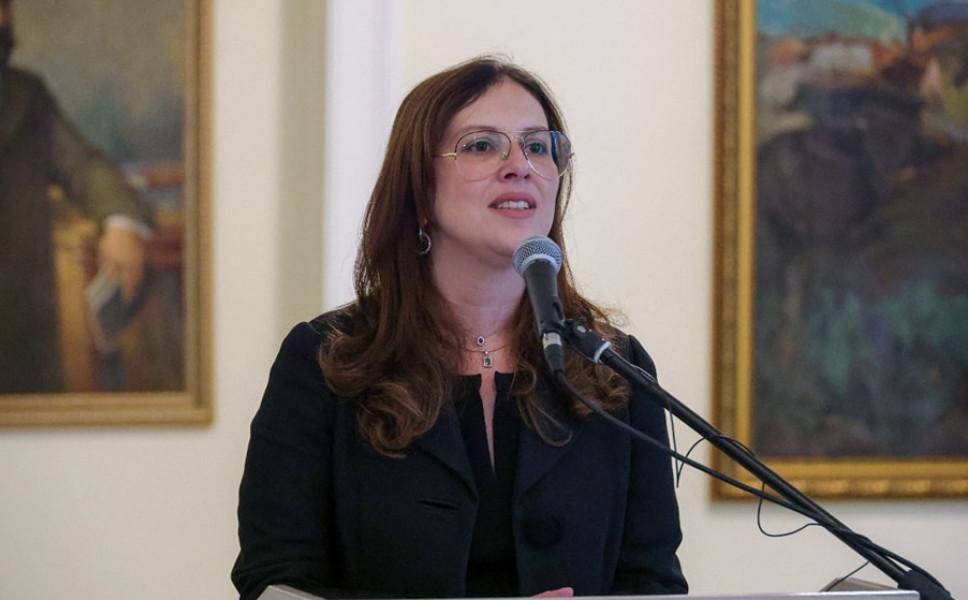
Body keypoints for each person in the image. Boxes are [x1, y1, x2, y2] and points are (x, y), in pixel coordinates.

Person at [232, 56, 687, 599]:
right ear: (419, 189)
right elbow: (275, 582)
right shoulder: (326, 361)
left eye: (538, 146)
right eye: (481, 145)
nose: (520, 165)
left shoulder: (613, 369)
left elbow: (653, 582)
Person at [0, 0, 153, 393]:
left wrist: (120, 222)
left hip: (22, 326)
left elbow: (82, 164)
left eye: (4, 5)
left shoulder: (27, 93)